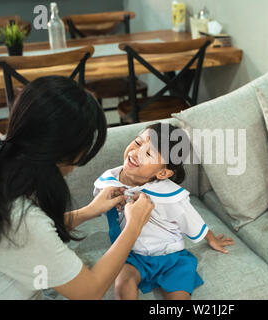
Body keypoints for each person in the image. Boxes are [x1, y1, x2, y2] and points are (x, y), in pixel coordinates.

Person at [0, 76, 154, 300]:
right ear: (68, 151)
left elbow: (31, 234)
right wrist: (134, 226)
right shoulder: (19, 219)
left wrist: (88, 211)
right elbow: (90, 291)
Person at [93, 122, 235, 300]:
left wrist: (212, 239)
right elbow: (97, 207)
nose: (136, 153)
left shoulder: (170, 196)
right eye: (137, 143)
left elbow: (192, 220)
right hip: (131, 256)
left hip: (171, 257)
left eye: (148, 154)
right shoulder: (108, 181)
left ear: (162, 174)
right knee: (122, 283)